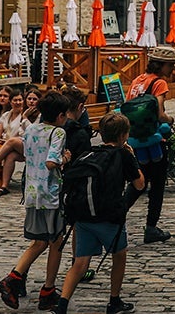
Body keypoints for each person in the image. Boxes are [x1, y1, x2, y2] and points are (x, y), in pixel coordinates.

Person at [55, 112, 142, 314]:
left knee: (80, 262)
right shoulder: (123, 155)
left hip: (83, 218)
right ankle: (114, 301)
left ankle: (62, 305)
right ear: (123, 136)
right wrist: (133, 158)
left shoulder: (88, 154)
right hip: (109, 219)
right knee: (119, 256)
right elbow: (139, 184)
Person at [0, 91, 72, 310]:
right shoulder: (58, 132)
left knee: (39, 241)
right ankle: (48, 290)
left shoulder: (31, 129)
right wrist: (65, 158)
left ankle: (12, 278)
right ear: (60, 115)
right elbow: (51, 162)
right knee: (56, 242)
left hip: (32, 192)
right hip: (50, 193)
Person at [125, 45, 175, 243]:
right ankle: (151, 227)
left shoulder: (137, 81)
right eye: (171, 65)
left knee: (138, 181)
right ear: (162, 65)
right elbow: (159, 113)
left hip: (135, 139)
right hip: (154, 139)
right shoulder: (159, 83)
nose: (172, 69)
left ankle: (117, 217)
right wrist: (171, 120)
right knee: (156, 185)